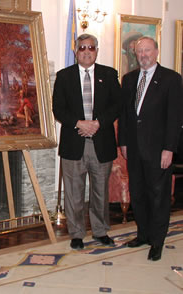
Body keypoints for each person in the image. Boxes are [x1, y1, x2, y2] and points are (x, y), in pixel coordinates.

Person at [52, 34, 122, 250]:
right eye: (82, 47)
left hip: (101, 142)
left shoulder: (109, 75)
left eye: (91, 47)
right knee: (73, 192)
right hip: (74, 142)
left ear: (96, 50)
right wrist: (79, 123)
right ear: (76, 51)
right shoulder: (64, 76)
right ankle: (76, 233)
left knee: (100, 191)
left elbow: (117, 105)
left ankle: (100, 231)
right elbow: (58, 108)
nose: (86, 51)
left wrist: (98, 123)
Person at [118, 36, 183, 261]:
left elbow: (175, 118)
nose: (143, 55)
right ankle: (143, 234)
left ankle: (157, 241)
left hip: (158, 150)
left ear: (156, 52)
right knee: (138, 194)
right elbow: (125, 114)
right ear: (135, 54)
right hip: (134, 149)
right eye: (139, 51)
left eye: (147, 50)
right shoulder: (128, 79)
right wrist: (123, 142)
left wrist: (169, 149)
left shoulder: (171, 79)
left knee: (158, 196)